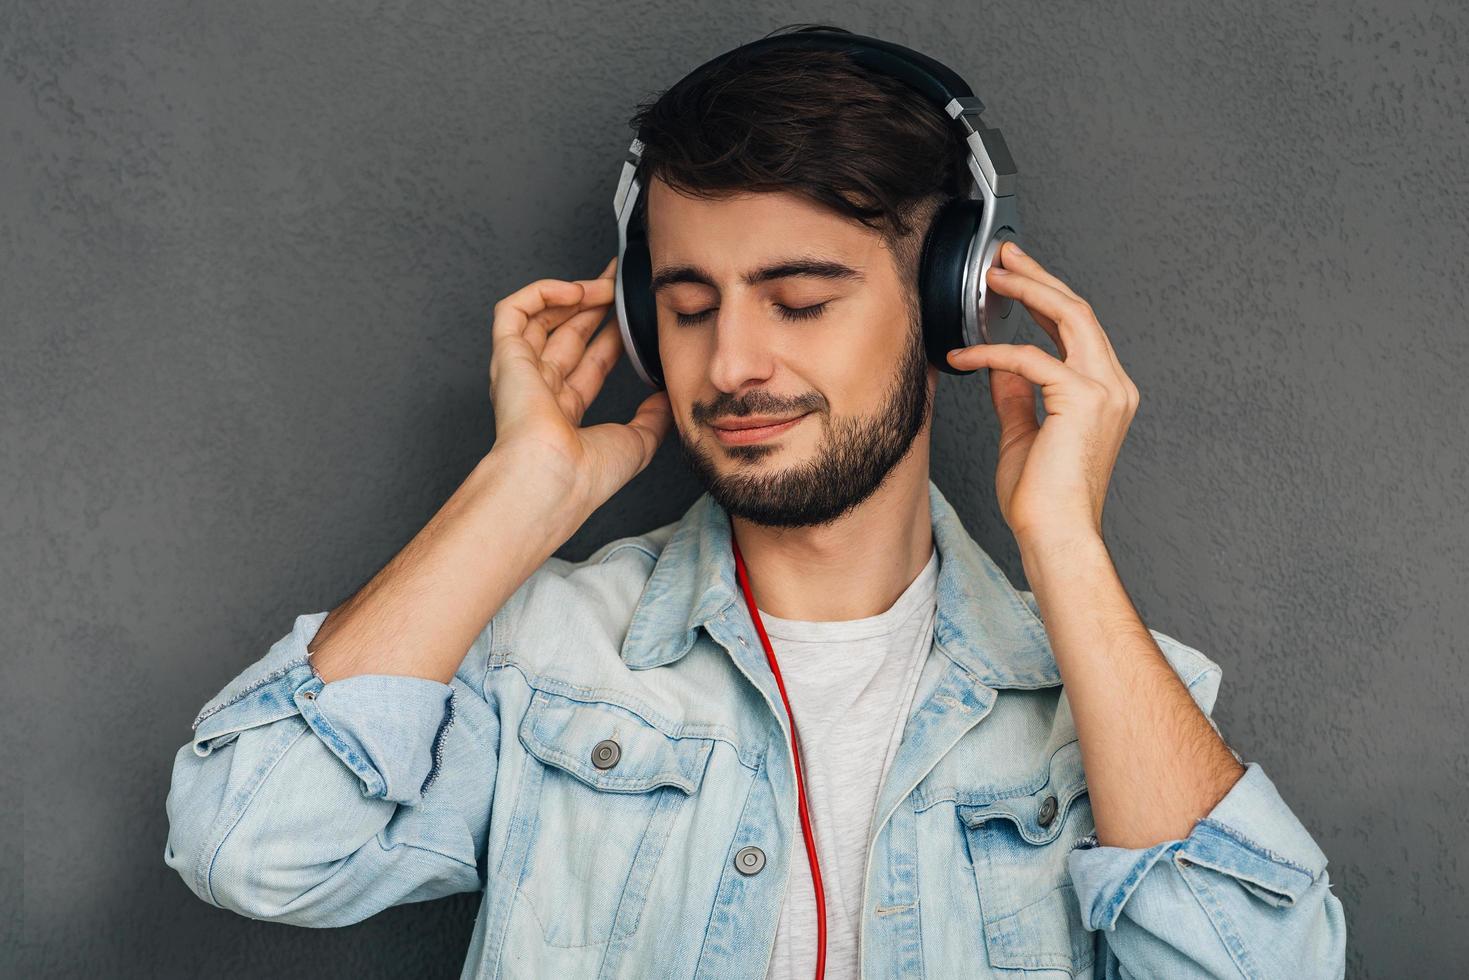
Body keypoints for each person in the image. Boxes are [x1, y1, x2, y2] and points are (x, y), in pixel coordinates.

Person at [164, 23, 1347, 980]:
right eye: (686, 305)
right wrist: (517, 494)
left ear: (950, 307)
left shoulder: (1107, 697)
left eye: (797, 299)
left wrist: (1064, 549)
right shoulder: (539, 662)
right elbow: (249, 844)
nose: (730, 362)